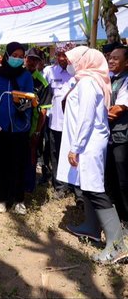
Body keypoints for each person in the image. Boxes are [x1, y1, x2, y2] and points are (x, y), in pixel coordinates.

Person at [58, 46, 127, 264]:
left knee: (96, 190)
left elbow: (86, 118)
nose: (70, 64)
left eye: (73, 60)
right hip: (88, 142)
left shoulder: (88, 83)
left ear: (84, 61)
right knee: (87, 186)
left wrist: (75, 147)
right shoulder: (89, 80)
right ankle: (91, 227)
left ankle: (117, 246)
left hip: (88, 144)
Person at [0, 42, 34, 214]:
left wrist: (24, 104)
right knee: (0, 164)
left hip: (20, 127)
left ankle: (19, 200)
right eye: (15, 55)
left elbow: (31, 98)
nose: (18, 59)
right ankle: (0, 199)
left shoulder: (25, 75)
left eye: (21, 56)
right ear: (7, 55)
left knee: (18, 164)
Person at [43, 43, 79, 201]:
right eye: (59, 55)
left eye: (65, 55)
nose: (62, 58)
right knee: (55, 154)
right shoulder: (50, 71)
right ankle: (60, 186)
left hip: (73, 124)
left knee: (73, 155)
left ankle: (75, 187)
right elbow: (45, 94)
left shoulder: (77, 73)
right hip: (55, 123)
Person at [24, 47, 52, 193]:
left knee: (32, 155)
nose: (32, 62)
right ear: (25, 59)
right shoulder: (18, 76)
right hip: (17, 125)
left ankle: (29, 185)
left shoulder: (43, 83)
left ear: (39, 62)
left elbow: (43, 110)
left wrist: (37, 132)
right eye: (30, 58)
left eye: (35, 59)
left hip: (33, 127)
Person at [105, 45, 128, 224]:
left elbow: (116, 110)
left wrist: (94, 118)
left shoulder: (126, 81)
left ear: (126, 62)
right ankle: (118, 215)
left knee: (123, 180)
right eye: (110, 57)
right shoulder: (111, 79)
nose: (111, 61)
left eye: (116, 58)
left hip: (122, 137)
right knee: (111, 177)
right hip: (111, 135)